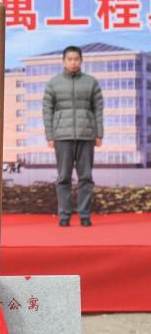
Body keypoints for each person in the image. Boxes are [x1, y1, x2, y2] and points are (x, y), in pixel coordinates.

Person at [43, 45, 103, 227]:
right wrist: (50, 135)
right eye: (69, 59)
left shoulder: (91, 82)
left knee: (86, 177)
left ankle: (85, 215)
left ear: (81, 61)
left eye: (76, 59)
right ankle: (64, 216)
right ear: (63, 61)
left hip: (86, 135)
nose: (73, 62)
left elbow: (98, 110)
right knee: (63, 178)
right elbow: (47, 111)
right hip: (62, 136)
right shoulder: (53, 83)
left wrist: (99, 133)